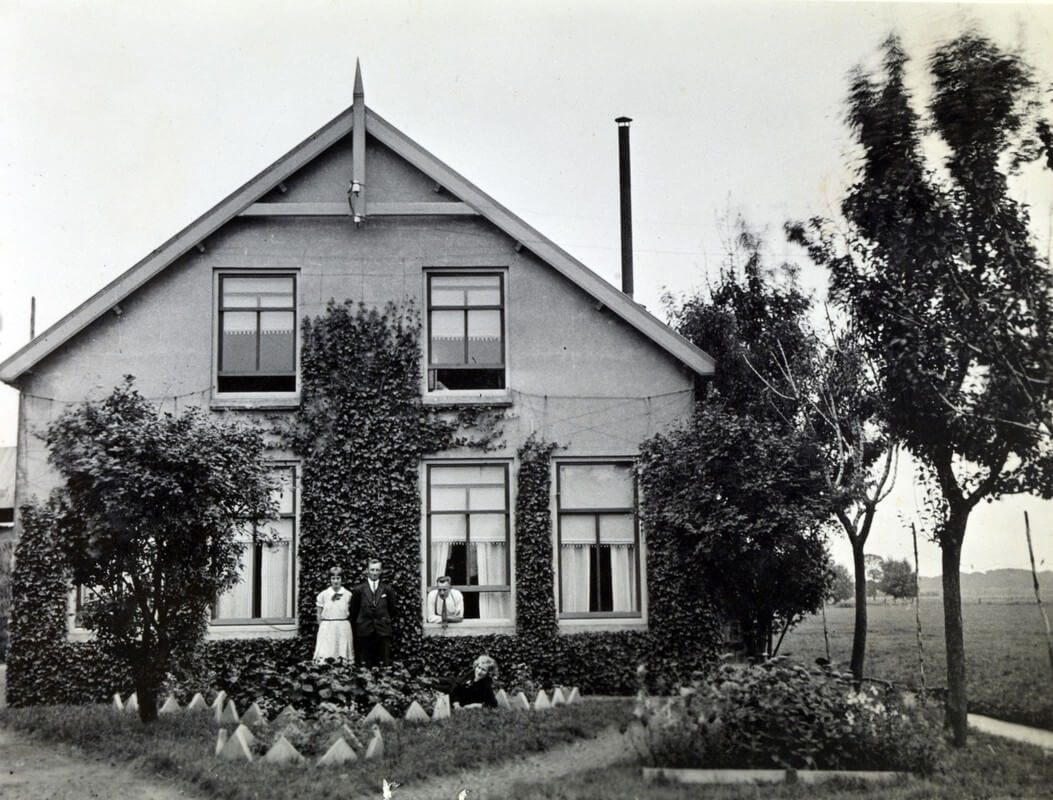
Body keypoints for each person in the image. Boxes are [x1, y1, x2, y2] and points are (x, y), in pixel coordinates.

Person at [350, 558, 397, 667]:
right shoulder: (359, 589)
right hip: (364, 630)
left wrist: (384, 621)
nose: (374, 573)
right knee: (364, 663)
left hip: (383, 631)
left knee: (384, 662)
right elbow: (354, 610)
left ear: (381, 571)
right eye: (372, 570)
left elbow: (392, 610)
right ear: (367, 571)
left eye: (377, 570)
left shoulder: (387, 589)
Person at [313, 566, 353, 661]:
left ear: (342, 579)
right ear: (330, 579)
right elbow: (319, 614)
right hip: (327, 627)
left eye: (338, 578)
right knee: (326, 653)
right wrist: (323, 627)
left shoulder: (348, 595)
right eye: (333, 578)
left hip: (343, 627)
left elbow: (352, 612)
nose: (335, 581)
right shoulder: (323, 595)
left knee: (342, 653)